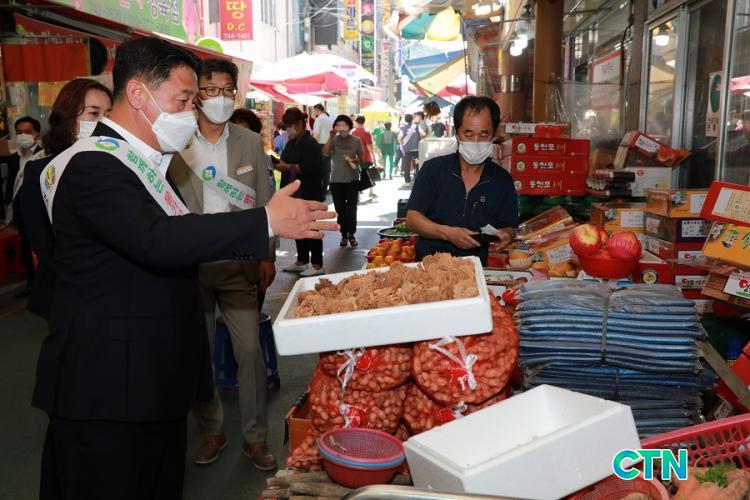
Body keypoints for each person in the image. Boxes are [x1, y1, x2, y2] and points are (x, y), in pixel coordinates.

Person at [33, 37, 336, 500]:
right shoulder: (95, 164)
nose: (191, 113)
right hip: (107, 387)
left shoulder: (146, 163)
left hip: (150, 381)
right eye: (183, 99)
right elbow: (156, 239)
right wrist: (264, 221)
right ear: (139, 94)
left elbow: (177, 235)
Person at [168, 58, 277, 470]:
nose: (220, 97)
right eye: (211, 89)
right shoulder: (176, 141)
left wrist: (267, 254)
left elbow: (265, 200)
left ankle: (255, 437)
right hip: (189, 263)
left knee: (249, 351)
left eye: (227, 90)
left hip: (238, 262)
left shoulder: (249, 141)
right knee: (200, 354)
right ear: (196, 94)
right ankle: (212, 430)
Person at [20, 79, 112, 321]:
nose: (103, 122)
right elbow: (41, 238)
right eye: (93, 113)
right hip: (68, 288)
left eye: (108, 114)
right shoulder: (41, 171)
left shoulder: (119, 166)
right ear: (68, 116)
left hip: (115, 289)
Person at [406, 96, 518, 266]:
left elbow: (509, 226)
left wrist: (507, 235)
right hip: (429, 269)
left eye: (484, 135)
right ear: (457, 134)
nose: (476, 142)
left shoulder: (502, 180)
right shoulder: (433, 170)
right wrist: (447, 233)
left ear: (493, 135)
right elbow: (413, 219)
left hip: (477, 270)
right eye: (468, 134)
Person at [277, 107, 326, 277]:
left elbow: (310, 167)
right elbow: (286, 161)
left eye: (290, 125)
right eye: (286, 126)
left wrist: (287, 167)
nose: (288, 129)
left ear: (299, 124)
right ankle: (302, 260)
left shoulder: (310, 143)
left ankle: (318, 264)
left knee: (311, 227)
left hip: (309, 192)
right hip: (294, 192)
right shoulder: (291, 142)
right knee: (297, 227)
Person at [323, 114, 362, 248]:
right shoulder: (334, 139)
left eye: (344, 125)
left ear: (349, 127)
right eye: (339, 125)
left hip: (352, 180)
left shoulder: (356, 140)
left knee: (351, 208)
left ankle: (351, 234)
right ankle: (344, 234)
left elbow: (361, 157)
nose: (342, 128)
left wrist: (353, 160)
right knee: (340, 209)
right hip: (336, 180)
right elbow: (325, 152)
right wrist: (331, 136)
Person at [352, 115, 377, 199]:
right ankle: (371, 192)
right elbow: (369, 145)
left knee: (357, 176)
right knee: (370, 174)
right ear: (364, 121)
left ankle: (358, 195)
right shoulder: (367, 131)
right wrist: (373, 155)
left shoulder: (352, 132)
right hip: (366, 157)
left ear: (356, 122)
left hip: (355, 157)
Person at [397, 112, 427, 183]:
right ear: (412, 119)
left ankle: (407, 180)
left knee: (407, 165)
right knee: (417, 164)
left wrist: (402, 144)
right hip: (416, 149)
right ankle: (418, 178)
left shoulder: (403, 128)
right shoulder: (417, 126)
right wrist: (420, 138)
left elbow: (399, 138)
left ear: (405, 120)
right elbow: (423, 134)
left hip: (407, 149)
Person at [312, 103, 333, 194]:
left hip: (320, 145)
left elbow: (316, 135)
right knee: (327, 168)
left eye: (314, 111)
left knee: (319, 168)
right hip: (330, 145)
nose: (314, 113)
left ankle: (319, 191)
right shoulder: (331, 119)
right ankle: (324, 190)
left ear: (317, 110)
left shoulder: (319, 119)